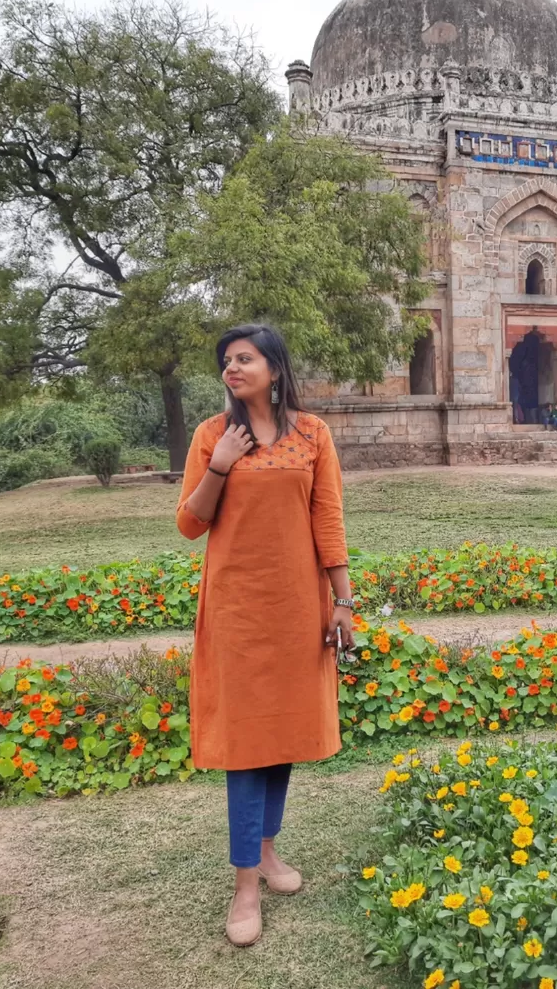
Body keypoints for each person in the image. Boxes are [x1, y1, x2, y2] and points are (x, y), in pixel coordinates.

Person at [175, 324, 353, 948]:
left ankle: (268, 853)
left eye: (244, 358)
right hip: (236, 610)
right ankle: (245, 883)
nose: (232, 368)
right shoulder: (211, 436)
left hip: (297, 606)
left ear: (274, 368)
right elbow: (189, 525)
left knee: (279, 734)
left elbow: (326, 516)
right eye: (226, 360)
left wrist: (343, 602)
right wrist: (221, 466)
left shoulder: (313, 434)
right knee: (246, 743)